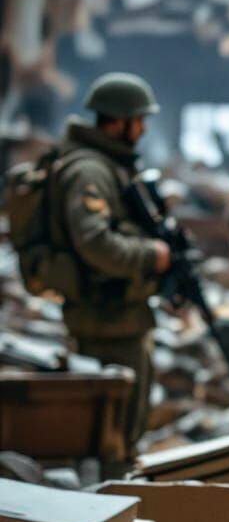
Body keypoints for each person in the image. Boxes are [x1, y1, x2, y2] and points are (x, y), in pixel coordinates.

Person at [51, 72, 172, 450]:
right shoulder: (90, 171)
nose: (144, 129)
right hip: (105, 321)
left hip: (121, 317)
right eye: (140, 120)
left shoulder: (110, 165)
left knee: (126, 427)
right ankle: (111, 499)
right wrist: (151, 254)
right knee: (112, 435)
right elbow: (95, 243)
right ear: (118, 121)